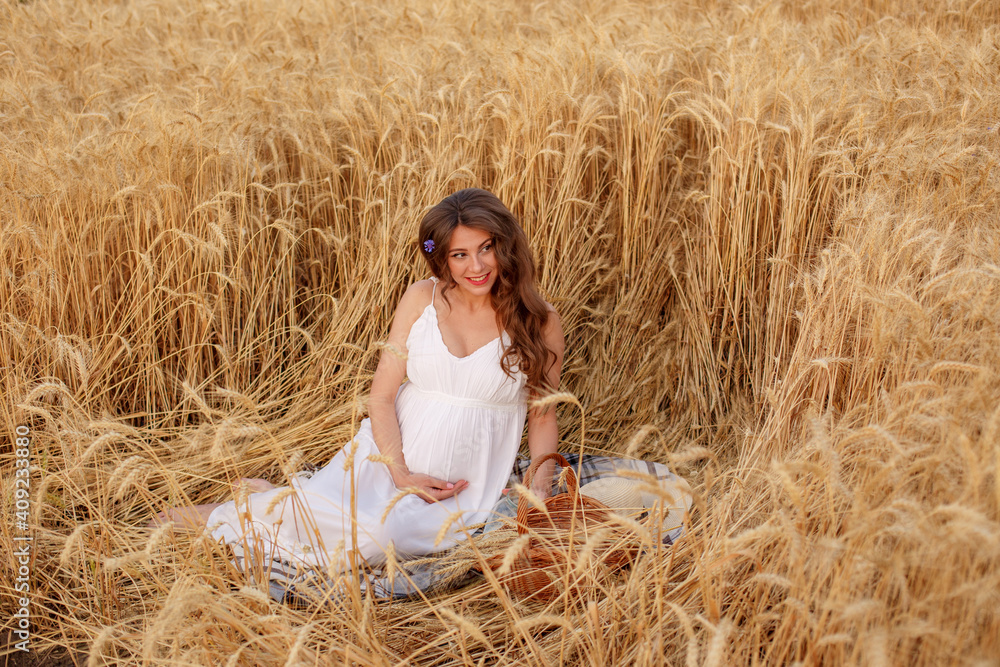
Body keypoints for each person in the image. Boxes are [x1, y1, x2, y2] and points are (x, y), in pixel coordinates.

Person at [150, 188, 565, 572]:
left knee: (377, 539)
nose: (476, 266)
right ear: (442, 259)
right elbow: (381, 397)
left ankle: (281, 498)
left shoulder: (539, 321)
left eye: (486, 248)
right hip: (389, 456)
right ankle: (253, 507)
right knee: (323, 518)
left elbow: (543, 415)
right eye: (460, 255)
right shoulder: (421, 298)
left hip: (464, 485)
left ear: (504, 245)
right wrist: (400, 474)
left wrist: (540, 487)